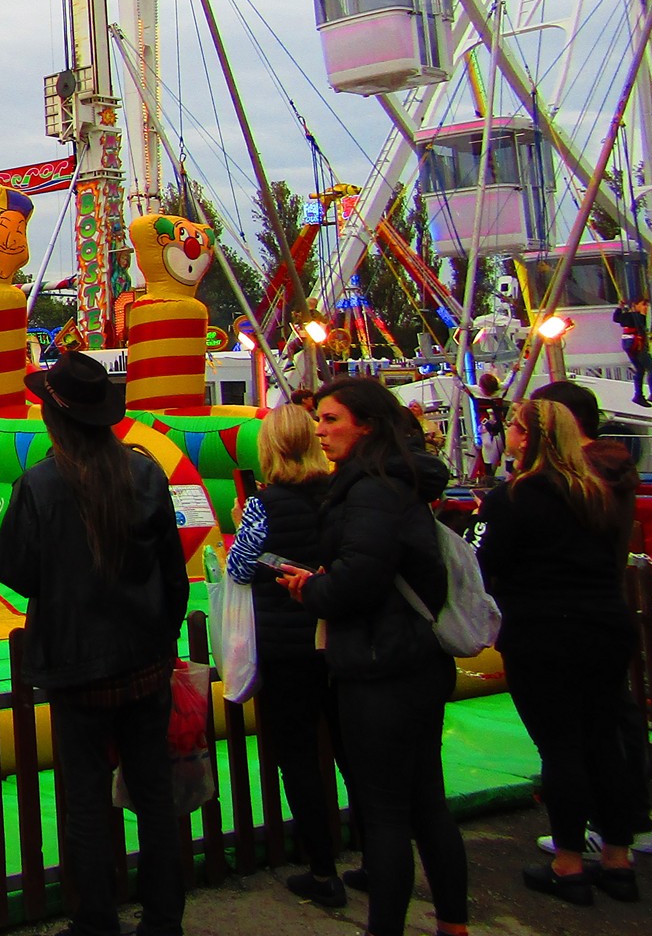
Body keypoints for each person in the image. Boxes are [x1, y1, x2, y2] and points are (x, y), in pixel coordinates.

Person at [0, 352, 187, 936]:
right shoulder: (146, 473)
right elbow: (174, 575)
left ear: (53, 417)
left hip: (78, 670)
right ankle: (163, 920)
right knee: (155, 798)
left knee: (85, 802)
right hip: (144, 664)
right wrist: (161, 634)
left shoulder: (40, 485)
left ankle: (96, 919)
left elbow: (17, 570)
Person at [276, 379, 468, 936]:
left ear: (366, 425)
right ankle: (452, 922)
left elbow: (362, 577)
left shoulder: (370, 490)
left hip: (381, 662)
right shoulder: (396, 483)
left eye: (332, 420)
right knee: (426, 797)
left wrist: (313, 591)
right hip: (411, 657)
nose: (321, 430)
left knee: (386, 812)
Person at [476, 400, 641, 904]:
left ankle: (568, 861)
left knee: (561, 747)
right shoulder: (598, 493)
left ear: (529, 438)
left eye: (515, 429)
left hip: (544, 629)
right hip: (605, 624)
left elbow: (485, 565)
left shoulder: (514, 497)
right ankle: (618, 857)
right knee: (602, 740)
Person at [528, 378, 652, 858]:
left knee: (578, 733)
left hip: (565, 612)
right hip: (605, 603)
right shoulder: (614, 472)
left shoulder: (574, 479)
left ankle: (597, 830)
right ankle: (626, 827)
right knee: (608, 721)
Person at [224, 405, 343, 906]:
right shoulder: (338, 495)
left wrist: (238, 524)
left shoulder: (264, 504)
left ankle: (321, 868)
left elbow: (241, 568)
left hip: (286, 644)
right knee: (350, 748)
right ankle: (379, 855)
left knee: (297, 756)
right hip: (337, 638)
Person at [609, 297, 652, 407]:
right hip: (635, 343)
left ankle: (638, 395)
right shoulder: (636, 316)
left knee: (640, 369)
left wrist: (620, 308)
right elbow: (640, 325)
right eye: (643, 305)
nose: (646, 308)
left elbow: (616, 318)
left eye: (646, 305)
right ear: (635, 305)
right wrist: (642, 315)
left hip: (628, 343)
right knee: (651, 367)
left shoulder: (627, 315)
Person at [473, 376, 508, 482]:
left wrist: (514, 371)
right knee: (487, 447)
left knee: (506, 449)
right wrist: (455, 375)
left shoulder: (500, 390)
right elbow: (461, 385)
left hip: (499, 425)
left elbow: (508, 382)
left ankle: (508, 474)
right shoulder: (476, 391)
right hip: (485, 426)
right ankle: (488, 474)